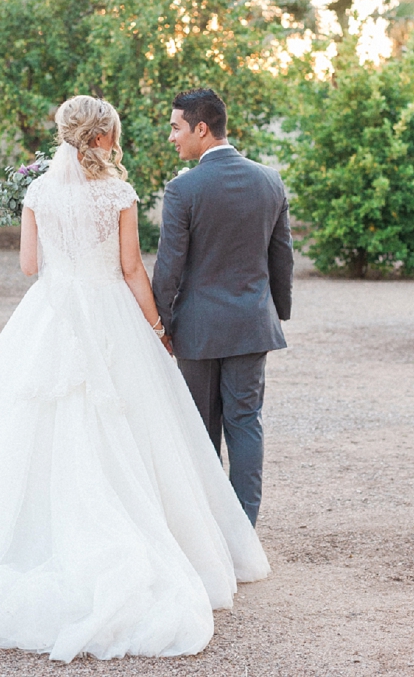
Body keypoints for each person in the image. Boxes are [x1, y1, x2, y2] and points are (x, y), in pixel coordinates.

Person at [0, 95, 269, 663]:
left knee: (26, 423)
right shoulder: (120, 194)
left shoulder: (38, 191)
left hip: (50, 316)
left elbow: (29, 267)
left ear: (67, 136)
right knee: (132, 425)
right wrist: (158, 326)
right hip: (110, 315)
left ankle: (24, 537)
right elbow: (132, 269)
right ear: (105, 137)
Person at [152, 88, 293, 527]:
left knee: (201, 430)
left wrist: (159, 324)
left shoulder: (183, 189)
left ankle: (208, 530)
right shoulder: (270, 180)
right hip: (252, 324)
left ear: (201, 128)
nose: (171, 137)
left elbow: (169, 268)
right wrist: (277, 310)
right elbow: (282, 257)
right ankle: (243, 531)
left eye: (176, 128)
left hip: (198, 329)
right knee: (246, 424)